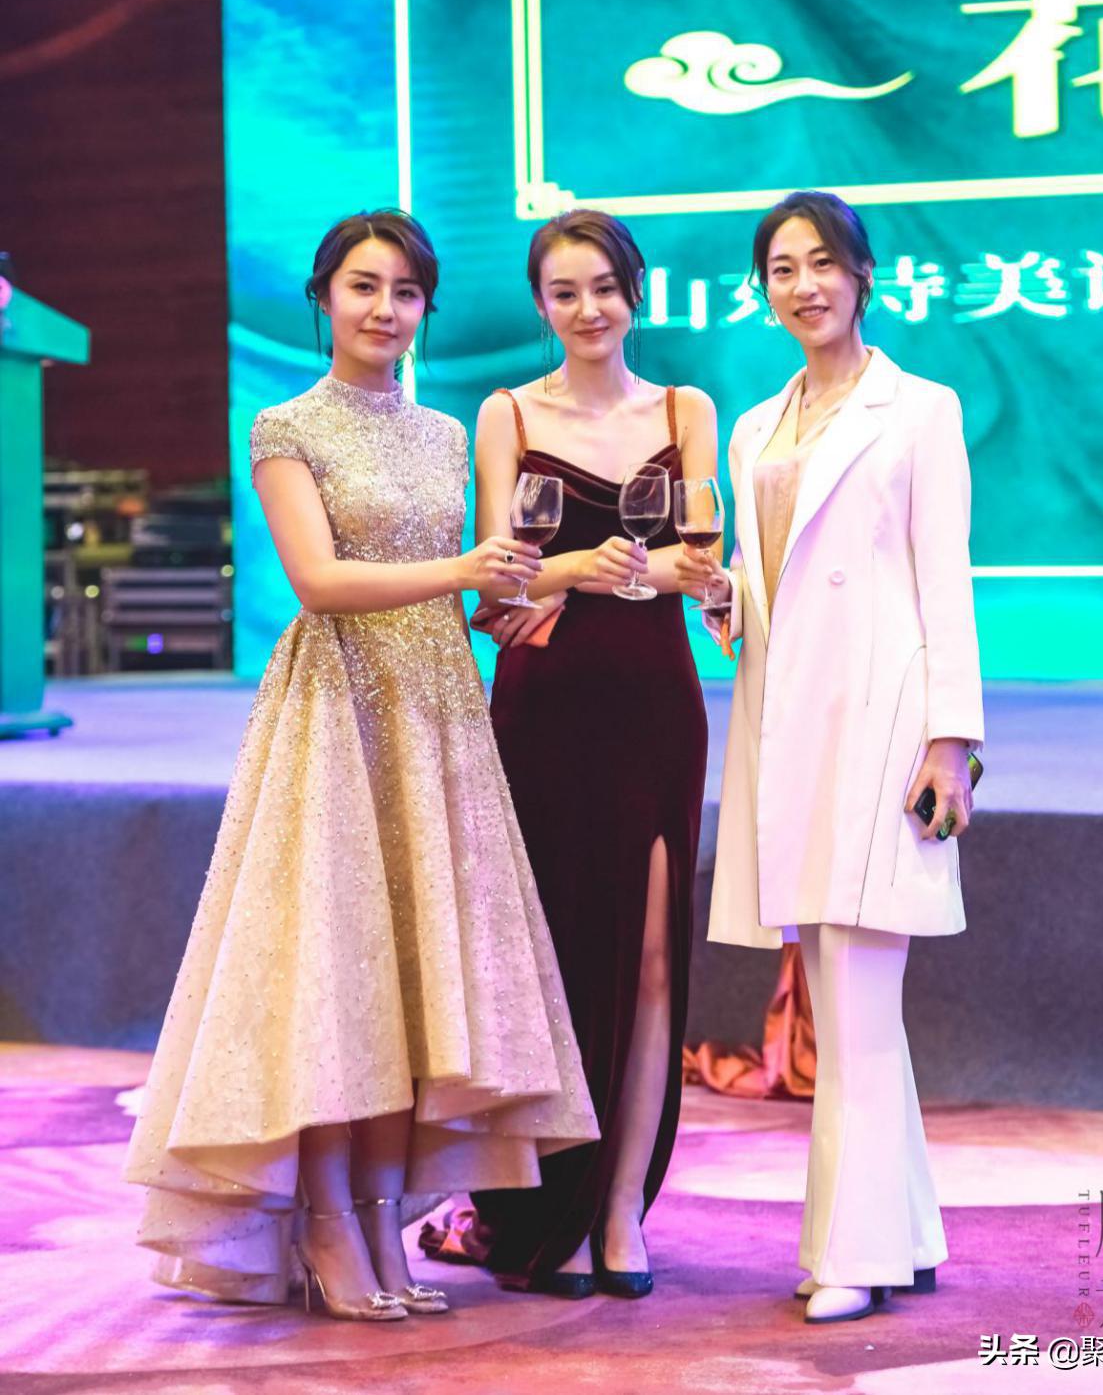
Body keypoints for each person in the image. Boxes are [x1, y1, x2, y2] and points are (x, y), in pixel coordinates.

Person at [125, 209, 597, 1322]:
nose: (385, 309)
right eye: (363, 286)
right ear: (324, 297)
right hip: (337, 710)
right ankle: (327, 1220)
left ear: (427, 307)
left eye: (406, 291)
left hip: (436, 709)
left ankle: (384, 1217)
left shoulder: (441, 433)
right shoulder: (285, 425)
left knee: (411, 982)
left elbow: (457, 586)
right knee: (338, 976)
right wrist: (463, 571)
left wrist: (520, 597)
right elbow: (322, 582)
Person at [677, 190, 983, 1325]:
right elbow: (772, 582)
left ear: (861, 275)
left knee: (853, 1001)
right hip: (789, 728)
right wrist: (726, 596)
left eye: (821, 263)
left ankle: (849, 1251)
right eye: (781, 268)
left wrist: (951, 740)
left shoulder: (921, 410)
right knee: (848, 998)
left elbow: (944, 578)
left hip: (883, 727)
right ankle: (906, 1233)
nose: (803, 285)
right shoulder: (757, 425)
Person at [440, 209, 713, 1298]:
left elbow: (702, 560)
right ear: (541, 304)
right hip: (544, 707)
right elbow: (494, 577)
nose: (588, 308)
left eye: (604, 286)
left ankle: (619, 1208)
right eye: (565, 291)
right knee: (545, 957)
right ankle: (541, 1204)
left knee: (649, 960)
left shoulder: (685, 409)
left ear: (634, 292)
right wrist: (572, 569)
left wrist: (675, 572)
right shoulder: (506, 412)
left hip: (654, 702)